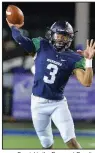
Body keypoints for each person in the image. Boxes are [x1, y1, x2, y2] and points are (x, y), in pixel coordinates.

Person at [6, 18, 95, 149]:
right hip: (37, 103)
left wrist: (88, 61)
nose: (60, 39)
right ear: (51, 34)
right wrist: (14, 27)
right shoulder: (41, 45)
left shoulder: (74, 58)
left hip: (58, 104)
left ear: (69, 38)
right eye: (58, 35)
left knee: (71, 141)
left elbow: (86, 82)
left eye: (64, 36)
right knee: (46, 144)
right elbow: (20, 39)